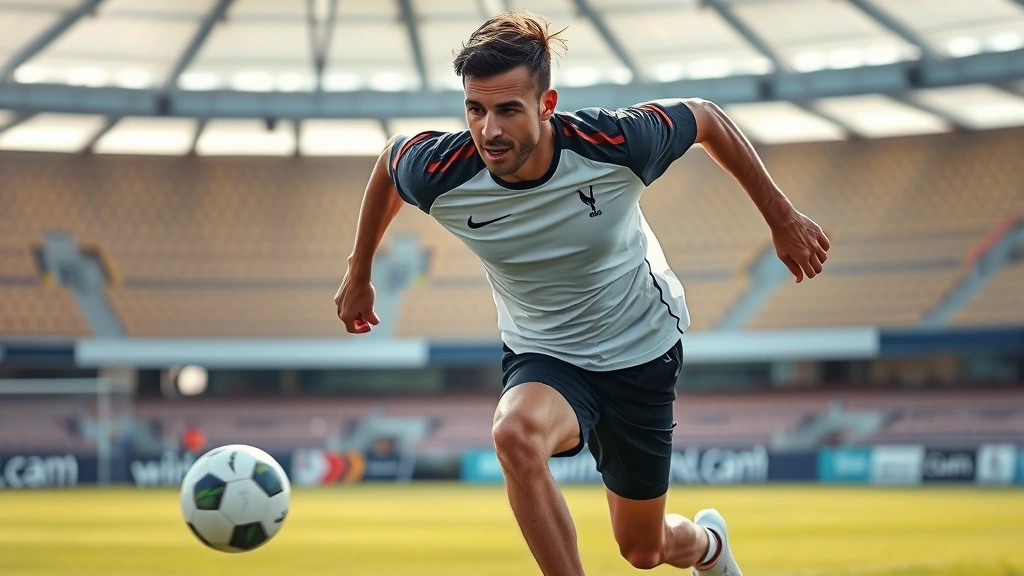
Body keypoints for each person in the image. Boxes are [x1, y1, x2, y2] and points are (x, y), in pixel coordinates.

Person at [335, 11, 829, 576]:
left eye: (508, 110)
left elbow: (706, 117)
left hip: (640, 349)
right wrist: (359, 271)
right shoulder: (442, 171)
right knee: (514, 433)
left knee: (643, 550)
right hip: (544, 353)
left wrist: (781, 218)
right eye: (475, 110)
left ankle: (708, 547)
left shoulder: (615, 143)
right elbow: (390, 162)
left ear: (547, 105)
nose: (489, 131)